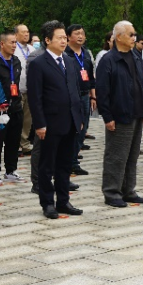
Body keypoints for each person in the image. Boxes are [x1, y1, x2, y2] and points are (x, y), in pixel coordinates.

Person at [28, 20, 85, 219]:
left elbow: (75, 90)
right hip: (50, 123)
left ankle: (63, 201)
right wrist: (40, 123)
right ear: (47, 40)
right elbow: (35, 98)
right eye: (59, 38)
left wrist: (78, 117)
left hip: (70, 121)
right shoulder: (38, 64)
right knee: (47, 165)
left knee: (64, 164)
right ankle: (47, 203)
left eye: (64, 37)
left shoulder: (68, 61)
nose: (63, 41)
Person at [95, 21, 143, 207]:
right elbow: (102, 91)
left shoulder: (135, 56)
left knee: (132, 155)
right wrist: (107, 116)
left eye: (134, 34)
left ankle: (128, 189)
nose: (134, 38)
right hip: (119, 115)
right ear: (118, 37)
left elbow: (141, 83)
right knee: (116, 155)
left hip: (136, 112)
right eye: (131, 34)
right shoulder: (108, 60)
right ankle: (111, 192)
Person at [0, 30, 23, 183]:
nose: (14, 45)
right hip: (0, 109)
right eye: (11, 42)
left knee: (14, 141)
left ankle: (11, 170)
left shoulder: (16, 61)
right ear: (2, 44)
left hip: (15, 107)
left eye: (16, 42)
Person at [64, 25, 96, 176]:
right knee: (72, 129)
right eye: (77, 34)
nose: (80, 36)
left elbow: (90, 77)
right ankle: (68, 161)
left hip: (85, 95)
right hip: (71, 96)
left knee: (83, 130)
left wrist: (93, 95)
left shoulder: (86, 54)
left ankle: (74, 161)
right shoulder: (65, 54)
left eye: (82, 33)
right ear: (68, 36)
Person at [14, 24, 34, 152]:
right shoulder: (13, 49)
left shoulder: (32, 49)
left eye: (27, 32)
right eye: (23, 32)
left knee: (28, 119)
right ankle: (16, 145)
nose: (26, 34)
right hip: (18, 90)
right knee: (17, 119)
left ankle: (25, 143)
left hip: (31, 90)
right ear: (16, 34)